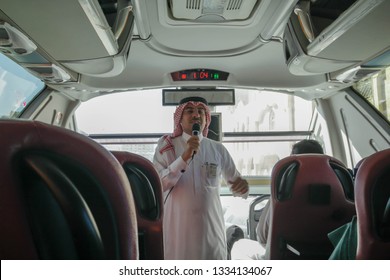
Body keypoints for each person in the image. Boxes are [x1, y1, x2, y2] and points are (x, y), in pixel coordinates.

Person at [153, 96, 249, 260]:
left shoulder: (217, 149)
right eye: (189, 111)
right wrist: (184, 157)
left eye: (201, 112)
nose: (196, 115)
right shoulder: (166, 146)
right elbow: (158, 184)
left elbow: (237, 186)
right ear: (180, 120)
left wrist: (243, 187)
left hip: (210, 230)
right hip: (178, 231)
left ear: (206, 120)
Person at [230, 139, 324, 259]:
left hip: (283, 258)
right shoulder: (339, 188)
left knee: (239, 245)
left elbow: (262, 235)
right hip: (328, 257)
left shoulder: (283, 191)